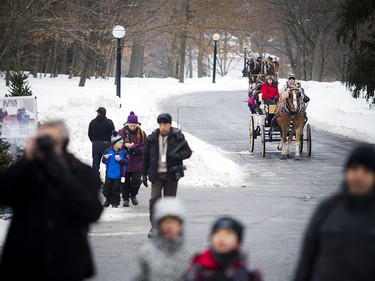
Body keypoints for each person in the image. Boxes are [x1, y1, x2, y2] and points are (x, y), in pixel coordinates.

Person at [0, 120, 103, 281]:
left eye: (50, 140)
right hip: (23, 261)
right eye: (41, 139)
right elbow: (4, 193)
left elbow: (92, 211)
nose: (45, 145)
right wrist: (25, 159)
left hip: (66, 262)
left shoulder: (80, 171)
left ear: (63, 142)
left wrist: (62, 173)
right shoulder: (27, 169)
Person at [293, 144, 375, 281]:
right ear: (346, 172)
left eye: (366, 171)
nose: (359, 176)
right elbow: (307, 259)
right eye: (354, 169)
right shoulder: (327, 209)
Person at [142, 113, 192, 238]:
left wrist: (178, 156)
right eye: (161, 124)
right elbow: (146, 156)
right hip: (156, 175)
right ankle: (154, 227)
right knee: (154, 200)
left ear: (170, 124)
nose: (163, 127)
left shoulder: (177, 137)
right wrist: (143, 173)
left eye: (165, 124)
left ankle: (169, 229)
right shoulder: (152, 138)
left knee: (169, 203)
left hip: (171, 174)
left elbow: (188, 152)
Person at [186, 216, 262, 281]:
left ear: (238, 241)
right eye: (217, 233)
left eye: (228, 234)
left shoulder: (248, 270)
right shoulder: (199, 266)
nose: (222, 237)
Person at [132, 197, 191, 281]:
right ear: (158, 225)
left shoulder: (190, 255)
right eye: (165, 222)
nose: (169, 226)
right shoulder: (147, 253)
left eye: (173, 222)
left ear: (181, 225)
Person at [118, 111, 147, 207]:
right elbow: (114, 145)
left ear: (137, 125)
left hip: (137, 162)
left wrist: (137, 149)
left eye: (134, 126)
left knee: (136, 181)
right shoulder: (121, 132)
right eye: (131, 125)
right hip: (125, 162)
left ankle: (133, 195)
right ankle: (125, 198)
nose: (132, 127)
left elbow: (146, 147)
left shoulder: (142, 134)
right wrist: (124, 145)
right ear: (127, 124)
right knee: (124, 182)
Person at [101, 131, 129, 208]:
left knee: (116, 190)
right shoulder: (108, 151)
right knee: (106, 189)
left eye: (121, 142)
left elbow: (127, 161)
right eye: (119, 143)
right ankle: (108, 200)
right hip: (109, 174)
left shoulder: (123, 152)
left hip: (119, 175)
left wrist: (120, 160)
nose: (121, 144)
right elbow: (104, 161)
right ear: (114, 144)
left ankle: (115, 203)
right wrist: (104, 158)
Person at [88, 107, 115, 182]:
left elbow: (89, 134)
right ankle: (108, 181)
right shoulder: (109, 122)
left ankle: (95, 181)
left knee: (96, 163)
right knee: (108, 162)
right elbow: (113, 134)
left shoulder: (92, 122)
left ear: (98, 113)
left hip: (96, 143)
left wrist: (94, 141)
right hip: (106, 144)